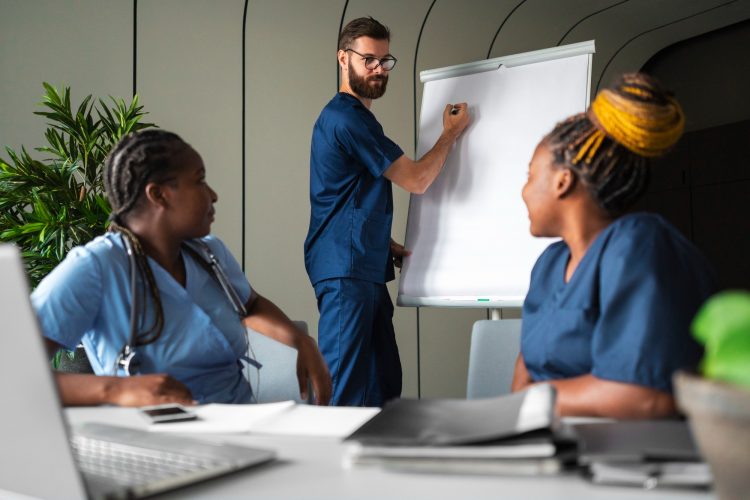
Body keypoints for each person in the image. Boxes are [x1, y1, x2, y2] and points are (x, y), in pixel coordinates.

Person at [32, 130, 332, 406]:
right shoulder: (95, 268)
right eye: (200, 180)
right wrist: (115, 389)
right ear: (159, 194)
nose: (213, 195)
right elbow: (14, 371)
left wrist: (300, 340)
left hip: (240, 422)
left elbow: (249, 304)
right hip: (154, 439)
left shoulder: (209, 253)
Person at [511, 73, 716, 419]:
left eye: (530, 175)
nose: (524, 191)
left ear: (563, 181)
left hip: (635, 457)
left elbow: (646, 398)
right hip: (550, 445)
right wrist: (533, 399)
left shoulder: (640, 245)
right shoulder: (549, 264)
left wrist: (537, 398)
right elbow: (520, 385)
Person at [304, 17, 470, 406]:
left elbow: (346, 194)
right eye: (369, 60)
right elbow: (416, 179)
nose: (379, 69)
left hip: (363, 263)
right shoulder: (346, 118)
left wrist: (383, 241)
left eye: (385, 60)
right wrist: (449, 135)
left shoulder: (356, 118)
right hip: (346, 270)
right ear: (343, 59)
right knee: (342, 391)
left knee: (381, 386)